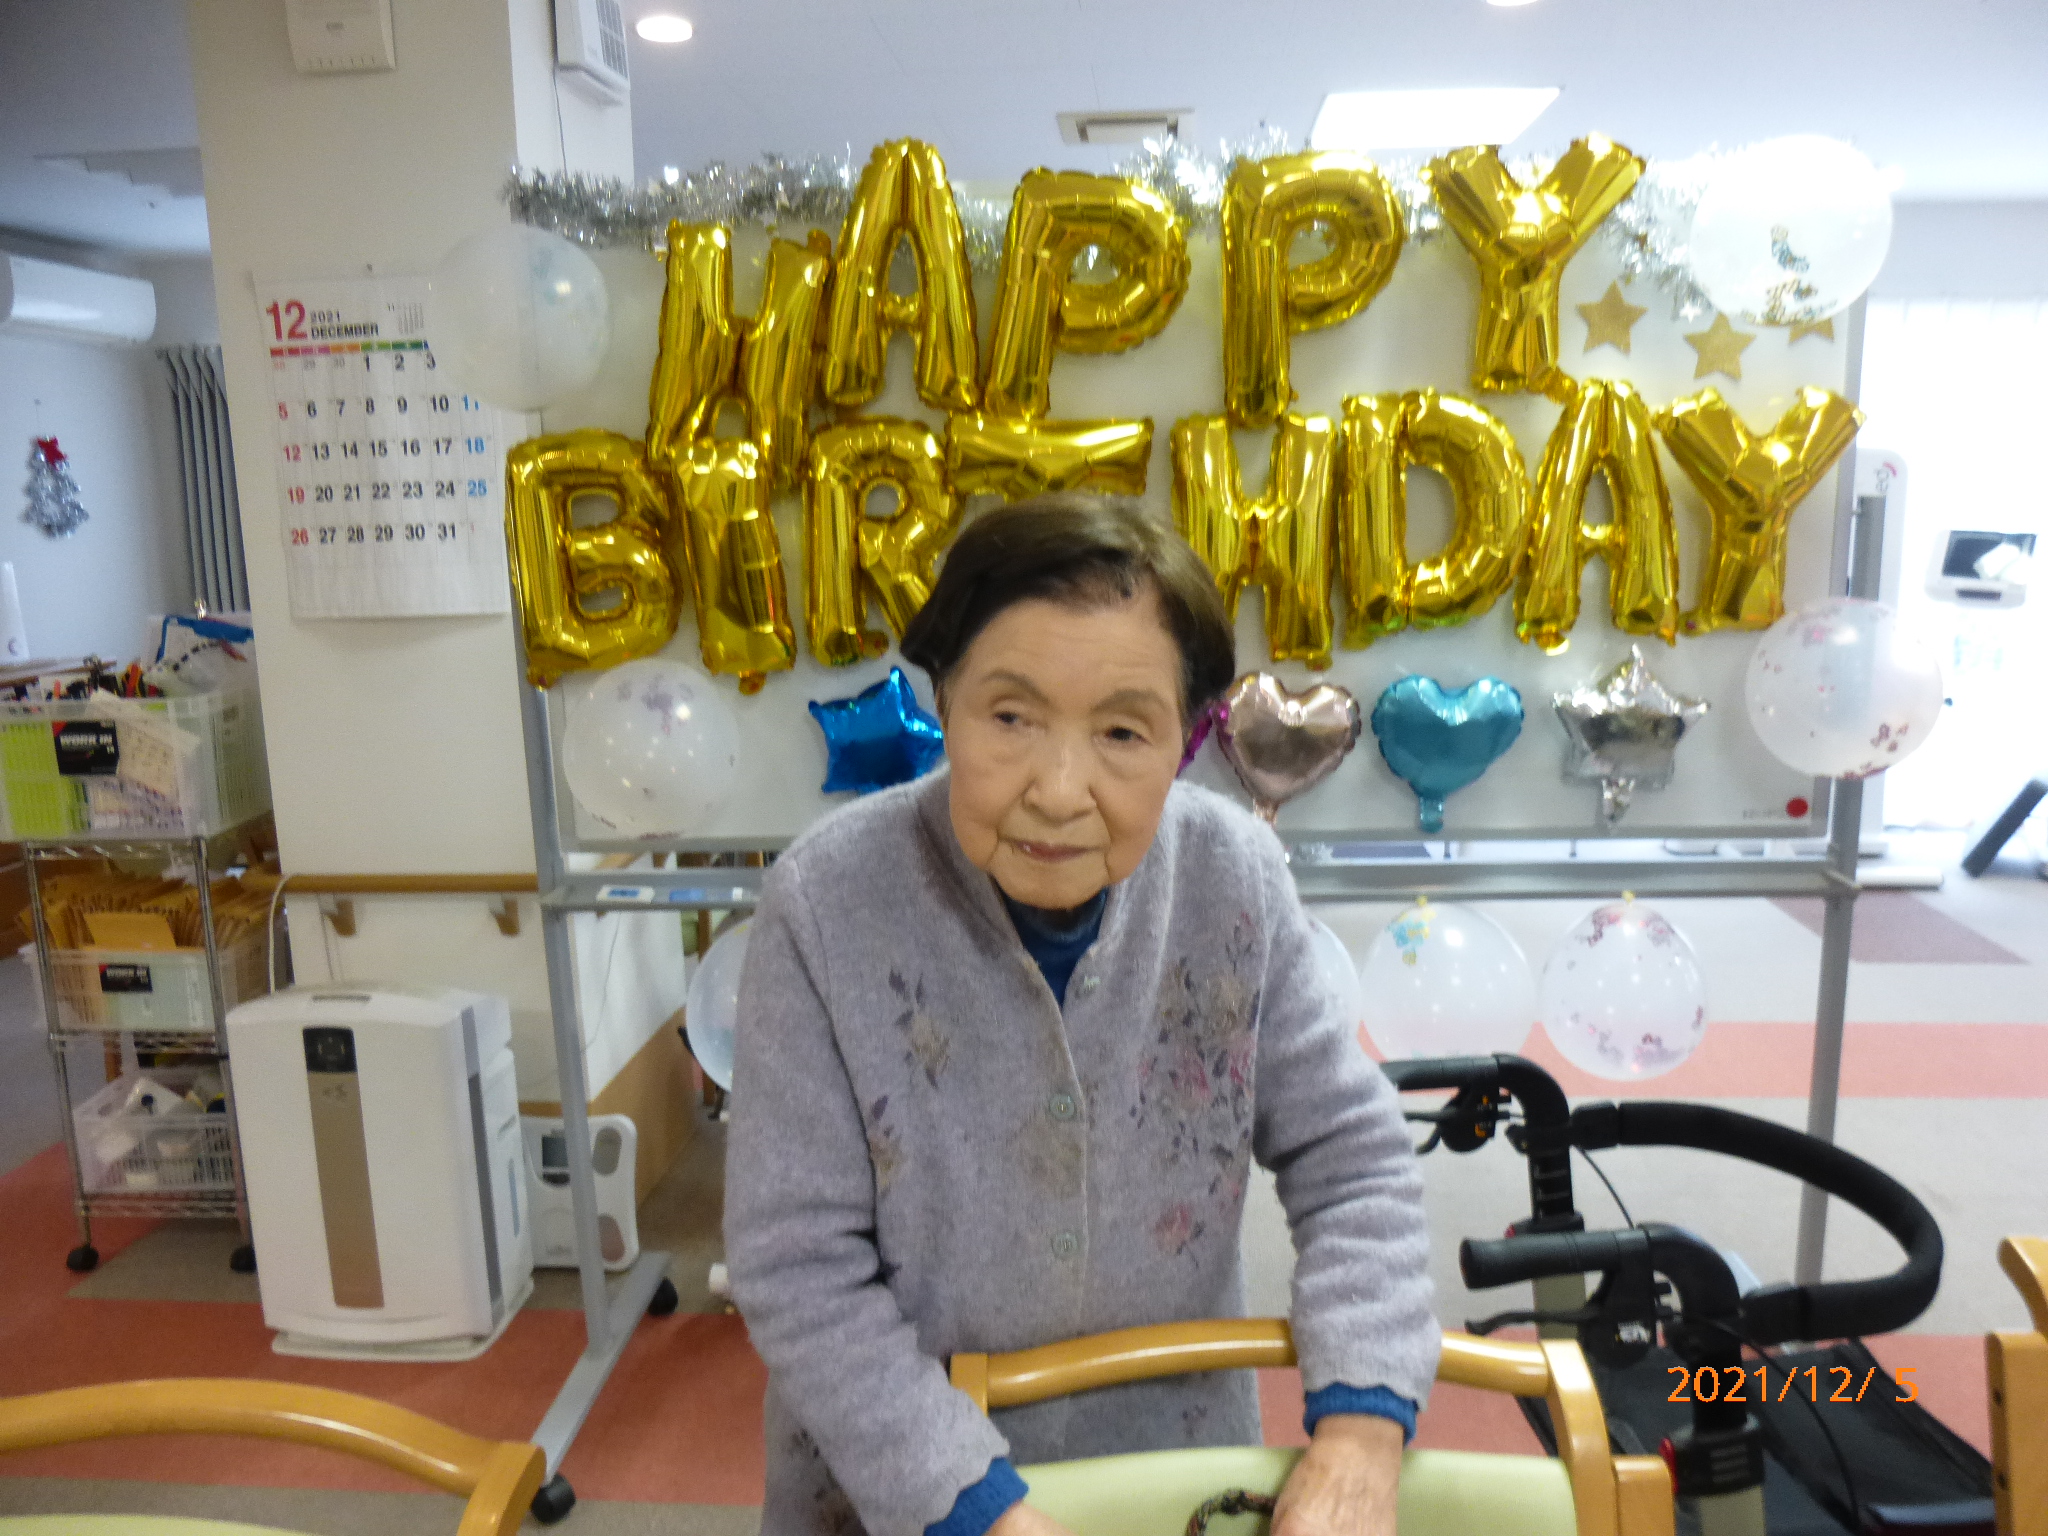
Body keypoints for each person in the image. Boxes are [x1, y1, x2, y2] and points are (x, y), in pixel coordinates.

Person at [725, 494, 1438, 1536]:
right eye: (1009, 718)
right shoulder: (825, 902)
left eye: (1121, 731)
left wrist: (1363, 1428)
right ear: (944, 702)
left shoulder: (1233, 875)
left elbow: (1354, 1162)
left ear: (1188, 739)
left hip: (1170, 1468)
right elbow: (796, 1264)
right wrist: (972, 1509)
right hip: (891, 1483)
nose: (1059, 791)